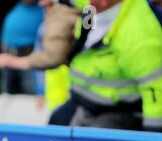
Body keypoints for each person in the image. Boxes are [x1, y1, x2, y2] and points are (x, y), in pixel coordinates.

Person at [50, 0, 162, 131]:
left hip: (117, 111)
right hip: (81, 100)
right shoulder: (91, 9)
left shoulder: (139, 35)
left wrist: (152, 138)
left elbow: (155, 87)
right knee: (55, 124)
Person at [0, 0, 45, 94]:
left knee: (30, 95)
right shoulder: (16, 4)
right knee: (6, 94)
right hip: (6, 54)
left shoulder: (44, 6)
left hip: (29, 56)